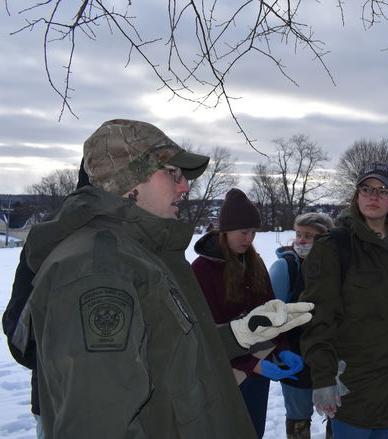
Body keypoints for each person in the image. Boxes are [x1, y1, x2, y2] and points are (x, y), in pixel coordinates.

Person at [22, 119, 313, 438]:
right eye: (172, 174)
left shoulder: (140, 254)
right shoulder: (98, 268)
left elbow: (164, 352)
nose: (184, 187)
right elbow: (99, 423)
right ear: (130, 179)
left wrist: (240, 334)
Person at [300, 163, 388, 439]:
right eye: (367, 189)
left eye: (382, 190)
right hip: (354, 385)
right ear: (357, 195)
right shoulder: (334, 246)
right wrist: (324, 378)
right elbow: (319, 318)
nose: (373, 196)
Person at [192, 188, 304, 438]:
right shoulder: (202, 270)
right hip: (224, 373)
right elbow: (209, 333)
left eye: (253, 233)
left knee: (253, 431)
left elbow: (270, 311)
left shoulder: (254, 262)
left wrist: (282, 347)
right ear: (225, 230)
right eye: (244, 232)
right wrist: (252, 365)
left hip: (258, 370)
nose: (249, 238)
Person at [2, 159, 90, 439]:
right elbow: (19, 330)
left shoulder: (147, 240)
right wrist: (60, 369)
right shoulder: (51, 238)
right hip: (59, 407)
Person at [269, 212, 335, 439]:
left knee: (336, 417)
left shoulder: (339, 269)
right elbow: (271, 320)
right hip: (295, 357)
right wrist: (281, 352)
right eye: (298, 234)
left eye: (309, 236)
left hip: (332, 359)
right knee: (298, 419)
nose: (301, 241)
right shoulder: (285, 268)